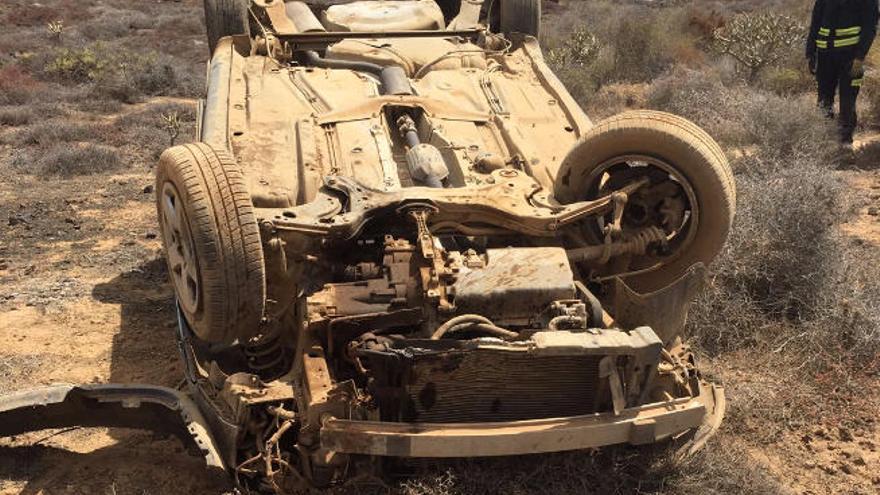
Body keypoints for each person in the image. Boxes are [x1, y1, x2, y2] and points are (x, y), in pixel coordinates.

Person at [806, 0, 879, 147]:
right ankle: (825, 141)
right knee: (824, 100)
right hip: (825, 55)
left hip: (851, 57)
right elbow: (815, 23)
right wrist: (810, 52)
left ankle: (845, 144)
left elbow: (870, 27)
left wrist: (860, 56)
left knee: (847, 100)